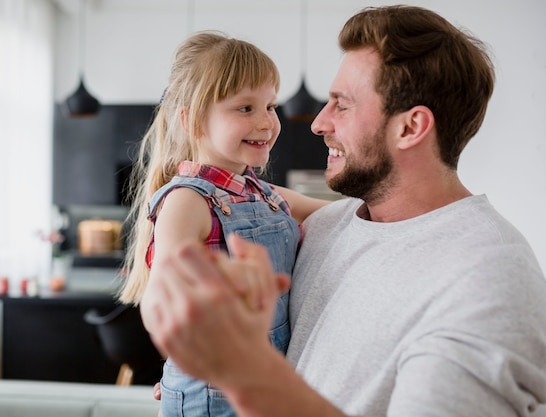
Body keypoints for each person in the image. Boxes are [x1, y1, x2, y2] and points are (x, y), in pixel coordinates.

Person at [139, 5, 546, 417]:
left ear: (410, 128)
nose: (317, 123)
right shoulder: (325, 229)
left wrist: (249, 377)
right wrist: (194, 379)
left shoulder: (489, 280)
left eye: (342, 105)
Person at [118, 31, 328, 417]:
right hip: (213, 397)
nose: (266, 121)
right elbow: (160, 299)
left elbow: (340, 214)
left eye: (270, 105)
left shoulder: (262, 194)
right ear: (192, 120)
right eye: (244, 108)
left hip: (261, 385)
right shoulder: (187, 200)